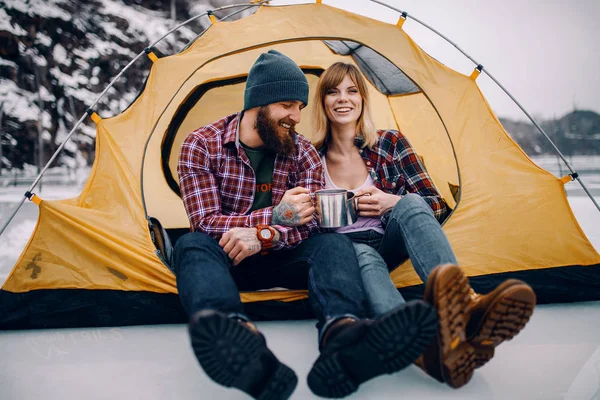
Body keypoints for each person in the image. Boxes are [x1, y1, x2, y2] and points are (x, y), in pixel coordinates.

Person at [174, 50, 439, 400]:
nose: (297, 116)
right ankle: (236, 339)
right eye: (288, 105)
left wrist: (265, 236)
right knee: (191, 246)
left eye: (300, 106)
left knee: (334, 245)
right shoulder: (200, 145)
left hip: (286, 256)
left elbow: (309, 223)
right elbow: (206, 223)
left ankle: (344, 335)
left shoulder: (301, 152)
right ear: (259, 102)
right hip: (229, 257)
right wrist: (271, 219)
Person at [312, 62, 537, 389]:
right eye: (332, 91)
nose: (342, 99)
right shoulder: (308, 155)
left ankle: (466, 305)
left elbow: (434, 203)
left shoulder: (390, 143)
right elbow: (299, 224)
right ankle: (426, 347)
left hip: (390, 237)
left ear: (362, 99)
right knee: (361, 255)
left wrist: (392, 201)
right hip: (347, 251)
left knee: (412, 202)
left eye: (351, 90)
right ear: (322, 102)